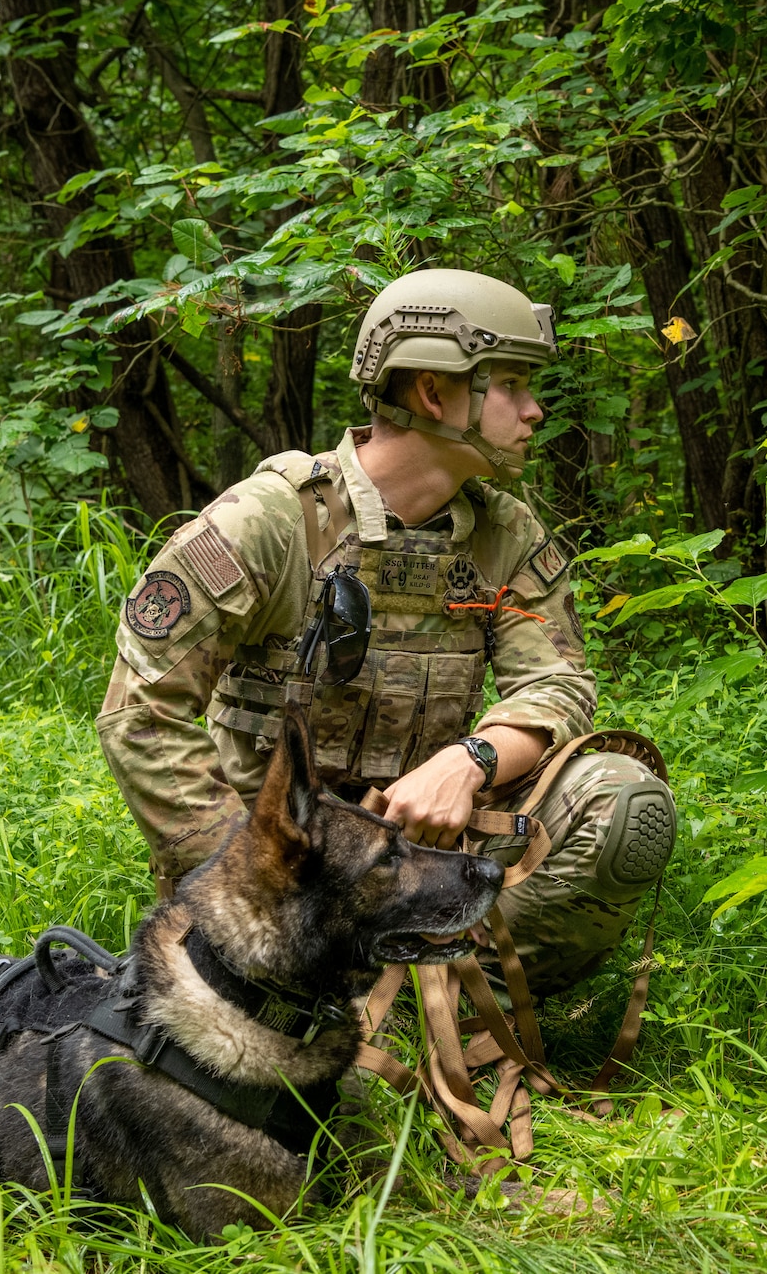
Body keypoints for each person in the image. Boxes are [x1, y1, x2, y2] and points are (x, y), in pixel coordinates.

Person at [96, 268, 676, 997]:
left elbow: (556, 684)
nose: (533, 411)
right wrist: (245, 869)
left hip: (427, 860)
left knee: (625, 802)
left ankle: (451, 1009)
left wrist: (468, 761)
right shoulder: (272, 523)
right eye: (511, 386)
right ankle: (297, 995)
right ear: (435, 391)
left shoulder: (504, 536)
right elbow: (140, 710)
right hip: (282, 873)